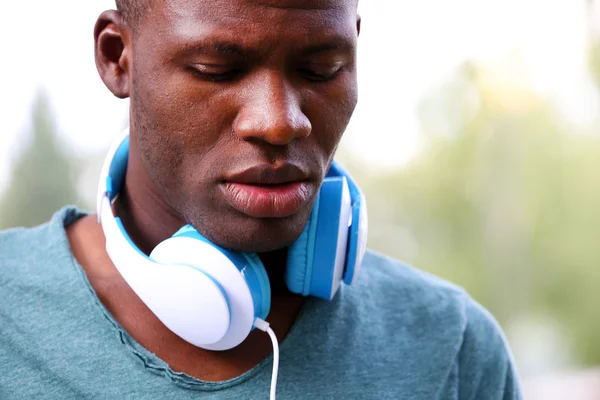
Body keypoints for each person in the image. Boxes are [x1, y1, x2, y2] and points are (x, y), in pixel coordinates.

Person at [0, 0, 523, 399]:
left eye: (321, 69)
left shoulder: (452, 347)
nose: (277, 122)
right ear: (118, 57)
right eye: (216, 70)